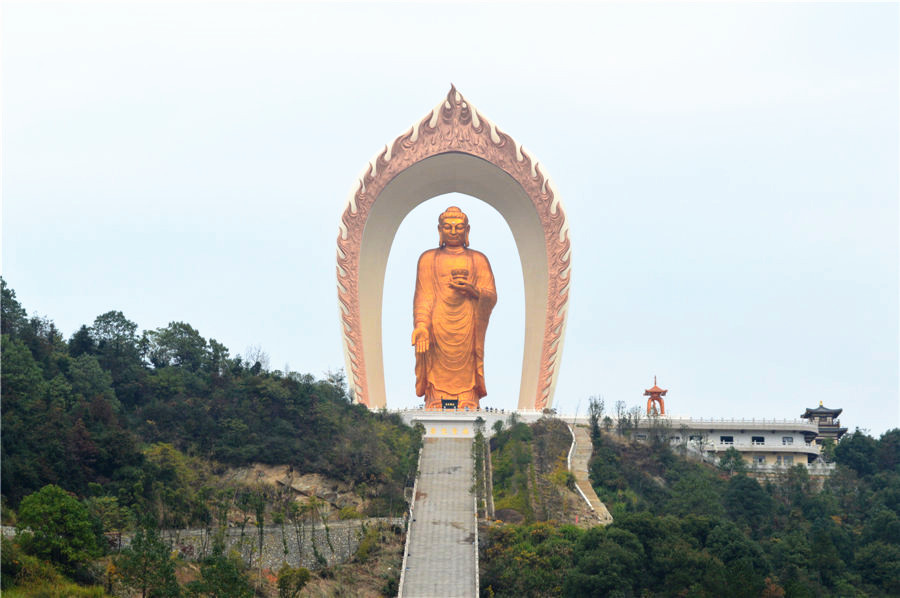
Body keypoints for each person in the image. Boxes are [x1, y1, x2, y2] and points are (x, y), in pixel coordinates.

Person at [412, 207, 497, 410]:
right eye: (447, 227)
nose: (453, 231)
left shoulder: (479, 260)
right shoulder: (428, 259)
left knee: (467, 364)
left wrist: (474, 291)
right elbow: (423, 296)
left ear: (467, 230)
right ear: (440, 230)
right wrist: (422, 326)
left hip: (468, 322)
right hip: (437, 322)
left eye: (458, 227)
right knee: (435, 364)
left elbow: (491, 296)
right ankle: (435, 398)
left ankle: (468, 398)